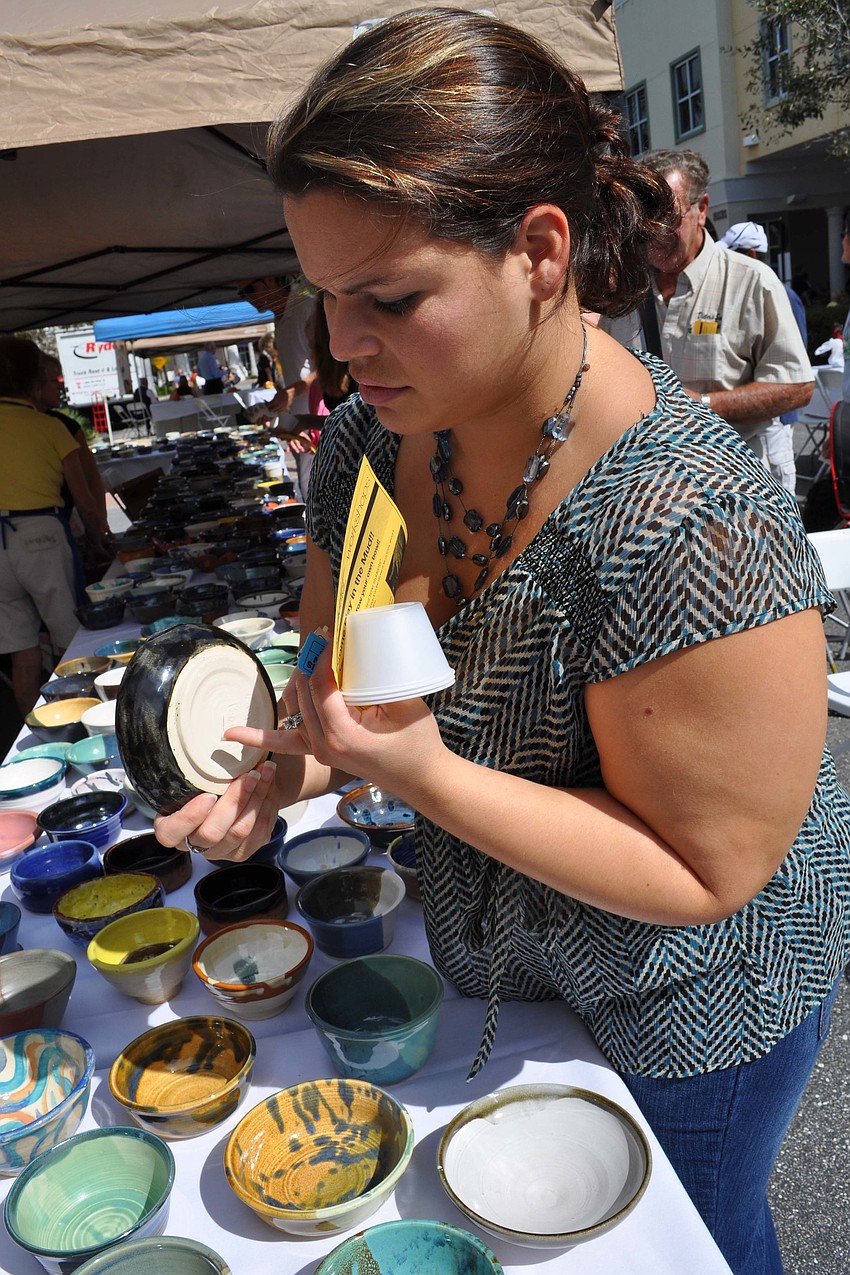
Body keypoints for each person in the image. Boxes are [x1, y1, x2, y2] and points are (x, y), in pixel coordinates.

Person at [154, 12, 850, 1273]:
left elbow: (709, 872)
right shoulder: (369, 445)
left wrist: (422, 777)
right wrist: (286, 766)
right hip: (494, 962)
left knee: (691, 1247)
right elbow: (338, 683)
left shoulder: (685, 515)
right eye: (324, 301)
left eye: (390, 298)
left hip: (687, 1004)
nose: (341, 349)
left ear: (538, 250)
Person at [601, 150, 814, 465]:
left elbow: (796, 386)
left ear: (701, 210)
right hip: (652, 485)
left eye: (669, 217)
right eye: (643, 218)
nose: (655, 232)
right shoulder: (622, 289)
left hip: (735, 480)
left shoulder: (753, 282)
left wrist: (702, 404)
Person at [0, 336, 106, 715]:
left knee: (22, 653)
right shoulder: (48, 427)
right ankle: (81, 717)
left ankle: (36, 730)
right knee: (70, 642)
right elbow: (86, 501)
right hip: (39, 534)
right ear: (33, 380)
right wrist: (98, 540)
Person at [717, 221, 801, 495]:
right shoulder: (741, 293)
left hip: (772, 422)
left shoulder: (780, 294)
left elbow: (792, 367)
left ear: (751, 254)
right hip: (749, 421)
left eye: (734, 253)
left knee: (780, 498)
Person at [32, 353, 110, 601]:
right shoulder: (59, 427)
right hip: (56, 530)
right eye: (54, 380)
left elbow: (91, 479)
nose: (60, 386)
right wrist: (96, 535)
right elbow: (87, 486)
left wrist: (100, 522)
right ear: (34, 384)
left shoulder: (65, 425)